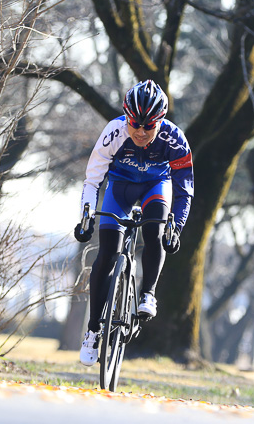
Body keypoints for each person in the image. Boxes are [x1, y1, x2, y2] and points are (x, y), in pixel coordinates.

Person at [73, 79, 194, 367]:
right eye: (135, 124)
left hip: (156, 186)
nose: (140, 132)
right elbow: (93, 180)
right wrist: (86, 217)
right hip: (120, 188)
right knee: (107, 253)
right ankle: (92, 331)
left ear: (160, 121)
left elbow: (185, 188)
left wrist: (176, 226)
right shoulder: (113, 132)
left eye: (148, 126)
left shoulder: (174, 139)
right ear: (126, 117)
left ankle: (148, 294)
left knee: (155, 229)